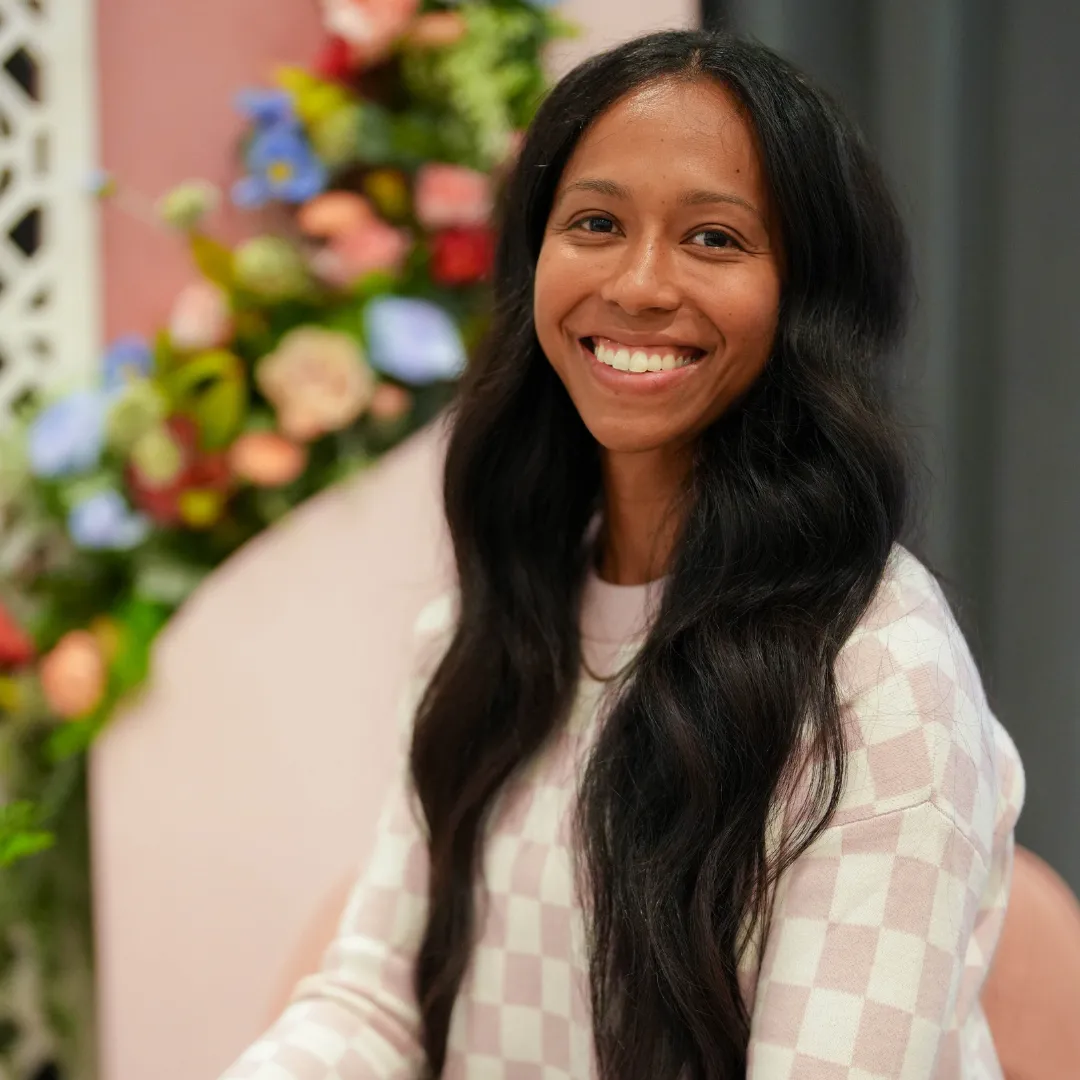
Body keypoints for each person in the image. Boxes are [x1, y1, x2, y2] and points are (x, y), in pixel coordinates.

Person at [220, 29, 1024, 1080]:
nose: (640, 285)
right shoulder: (487, 624)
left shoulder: (879, 672)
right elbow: (379, 1006)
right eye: (596, 223)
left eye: (715, 239)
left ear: (807, 297)